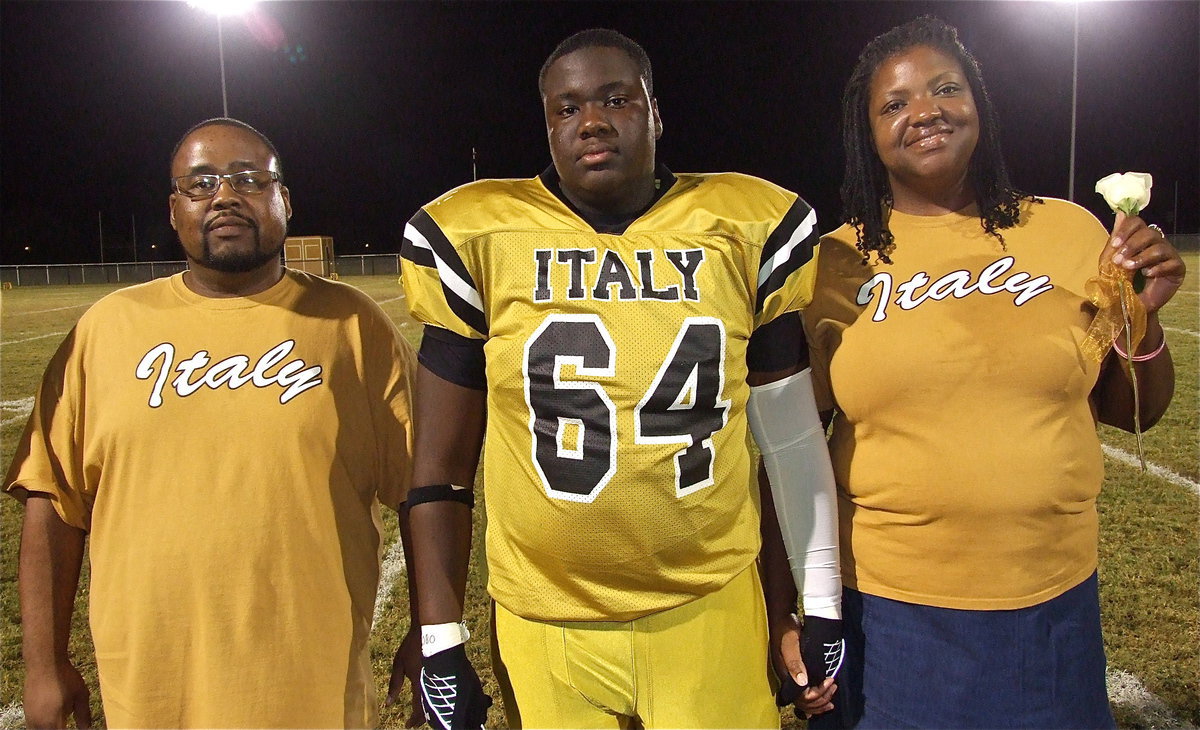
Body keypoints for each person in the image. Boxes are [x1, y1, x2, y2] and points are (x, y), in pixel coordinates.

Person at [395, 28, 843, 730]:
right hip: (545, 614)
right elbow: (440, 470)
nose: (592, 122)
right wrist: (442, 637)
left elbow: (788, 443)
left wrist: (819, 601)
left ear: (655, 113)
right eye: (566, 109)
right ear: (547, 127)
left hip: (706, 602)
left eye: (615, 99)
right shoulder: (478, 236)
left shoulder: (741, 226)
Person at [803, 16, 1186, 729]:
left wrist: (1144, 316)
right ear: (868, 134)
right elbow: (794, 451)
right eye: (894, 103)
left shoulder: (1071, 232)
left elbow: (1135, 412)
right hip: (892, 605)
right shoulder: (833, 263)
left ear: (979, 102)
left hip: (1052, 600)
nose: (925, 110)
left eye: (946, 88)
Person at [7, 117, 423, 728]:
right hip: (150, 696)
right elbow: (52, 501)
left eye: (250, 179)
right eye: (200, 184)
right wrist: (43, 665)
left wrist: (430, 629)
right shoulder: (106, 329)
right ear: (174, 209)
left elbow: (424, 492)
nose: (225, 195)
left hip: (315, 690)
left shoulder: (354, 327)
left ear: (285, 199)